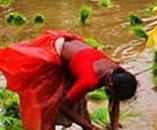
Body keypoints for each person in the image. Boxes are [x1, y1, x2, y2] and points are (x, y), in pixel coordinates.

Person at [0, 31, 137, 130]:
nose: (113, 98)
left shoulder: (117, 73)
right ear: (109, 83)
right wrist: (90, 127)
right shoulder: (90, 80)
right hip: (53, 54)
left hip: (74, 52)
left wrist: (114, 126)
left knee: (79, 102)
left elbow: (115, 99)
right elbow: (64, 106)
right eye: (113, 94)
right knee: (48, 107)